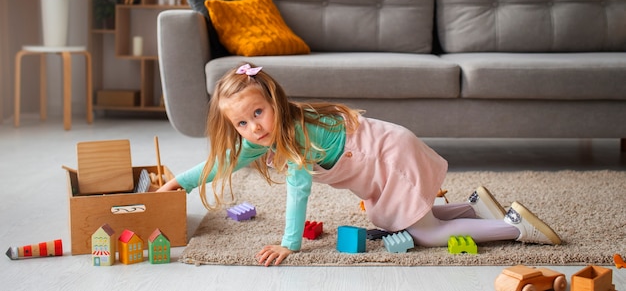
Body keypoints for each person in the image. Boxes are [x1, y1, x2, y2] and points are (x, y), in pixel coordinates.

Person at [157, 63, 561, 266]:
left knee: (425, 235)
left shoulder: (294, 137)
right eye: (242, 123)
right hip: (385, 149)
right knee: (399, 222)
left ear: (275, 101)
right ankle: (474, 207)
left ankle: (515, 227)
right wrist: (178, 183)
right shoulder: (263, 135)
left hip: (388, 155)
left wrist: (289, 244)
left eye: (258, 113)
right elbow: (221, 163)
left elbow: (299, 192)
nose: (253, 128)